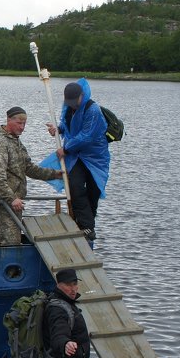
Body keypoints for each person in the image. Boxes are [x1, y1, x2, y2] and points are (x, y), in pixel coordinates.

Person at [46, 80, 111, 245]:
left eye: (75, 101)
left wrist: (66, 149)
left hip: (95, 156)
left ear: (81, 96)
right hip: (77, 156)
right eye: (69, 102)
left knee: (93, 190)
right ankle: (86, 226)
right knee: (74, 186)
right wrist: (58, 130)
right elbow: (68, 125)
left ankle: (88, 227)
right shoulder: (68, 108)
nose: (72, 105)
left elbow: (86, 136)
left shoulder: (93, 110)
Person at [0, 107, 65, 247]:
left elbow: (29, 168)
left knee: (15, 240)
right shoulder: (1, 142)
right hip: (7, 202)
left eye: (24, 124)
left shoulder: (16, 142)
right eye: (19, 123)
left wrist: (55, 174)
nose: (22, 127)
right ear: (9, 120)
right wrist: (11, 199)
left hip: (17, 202)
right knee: (8, 242)